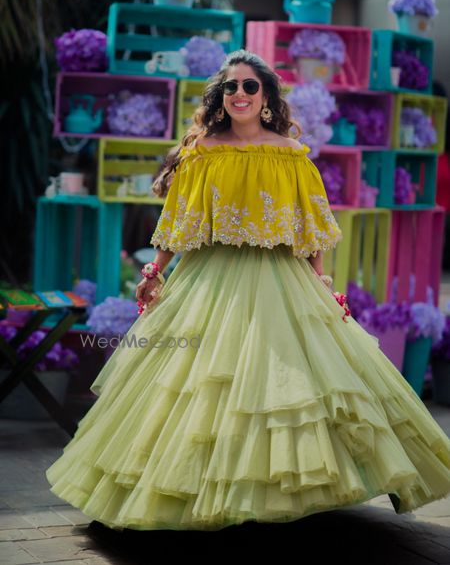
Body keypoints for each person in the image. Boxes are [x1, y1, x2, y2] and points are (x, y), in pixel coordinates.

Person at [46, 50, 450, 532]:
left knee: (287, 385)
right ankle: (191, 489)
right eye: (230, 87)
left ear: (266, 98)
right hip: (211, 278)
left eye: (250, 86)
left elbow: (311, 226)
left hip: (281, 276)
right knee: (200, 385)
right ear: (220, 98)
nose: (239, 93)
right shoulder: (201, 152)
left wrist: (321, 280)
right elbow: (178, 222)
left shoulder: (291, 154)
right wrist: (156, 269)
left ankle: (281, 489)